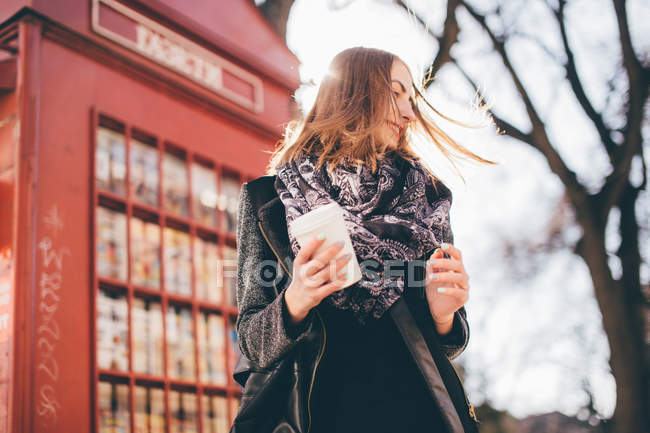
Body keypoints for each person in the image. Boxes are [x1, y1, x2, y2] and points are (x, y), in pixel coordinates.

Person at [234, 47, 496, 433]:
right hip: (315, 415)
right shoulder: (267, 201)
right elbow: (253, 346)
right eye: (396, 92)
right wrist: (296, 299)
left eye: (412, 98)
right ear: (352, 93)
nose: (409, 112)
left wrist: (443, 317)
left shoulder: (428, 199)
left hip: (416, 414)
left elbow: (447, 345)